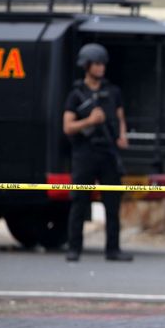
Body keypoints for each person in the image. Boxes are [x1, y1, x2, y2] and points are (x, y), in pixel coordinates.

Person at [62, 43, 133, 263]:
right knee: (79, 201)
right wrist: (89, 121)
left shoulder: (112, 91)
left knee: (112, 203)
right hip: (85, 153)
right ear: (87, 66)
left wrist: (122, 135)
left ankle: (113, 249)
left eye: (103, 63)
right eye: (97, 63)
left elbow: (120, 116)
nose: (101, 67)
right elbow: (67, 127)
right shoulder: (76, 94)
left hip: (108, 152)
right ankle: (74, 248)